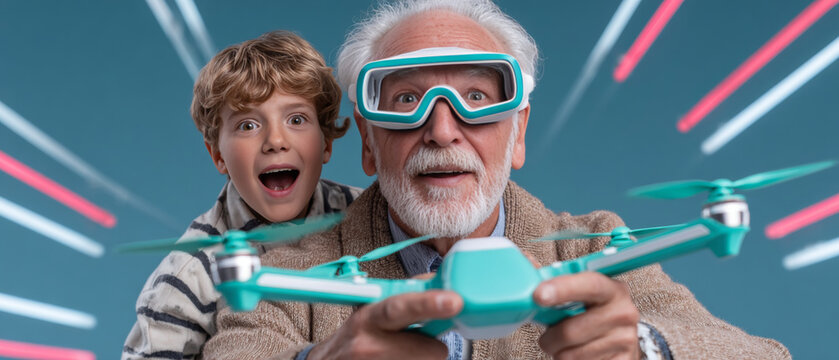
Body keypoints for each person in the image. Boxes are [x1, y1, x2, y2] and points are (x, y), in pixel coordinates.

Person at [202, 1, 792, 359]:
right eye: (406, 99)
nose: (441, 129)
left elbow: (760, 355)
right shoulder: (288, 269)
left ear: (519, 134)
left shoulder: (597, 246)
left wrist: (647, 350)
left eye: (477, 98)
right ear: (366, 143)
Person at [121, 31, 362, 359]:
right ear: (217, 155)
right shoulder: (189, 274)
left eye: (296, 119)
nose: (275, 140)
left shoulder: (366, 215)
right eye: (248, 125)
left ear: (327, 144)